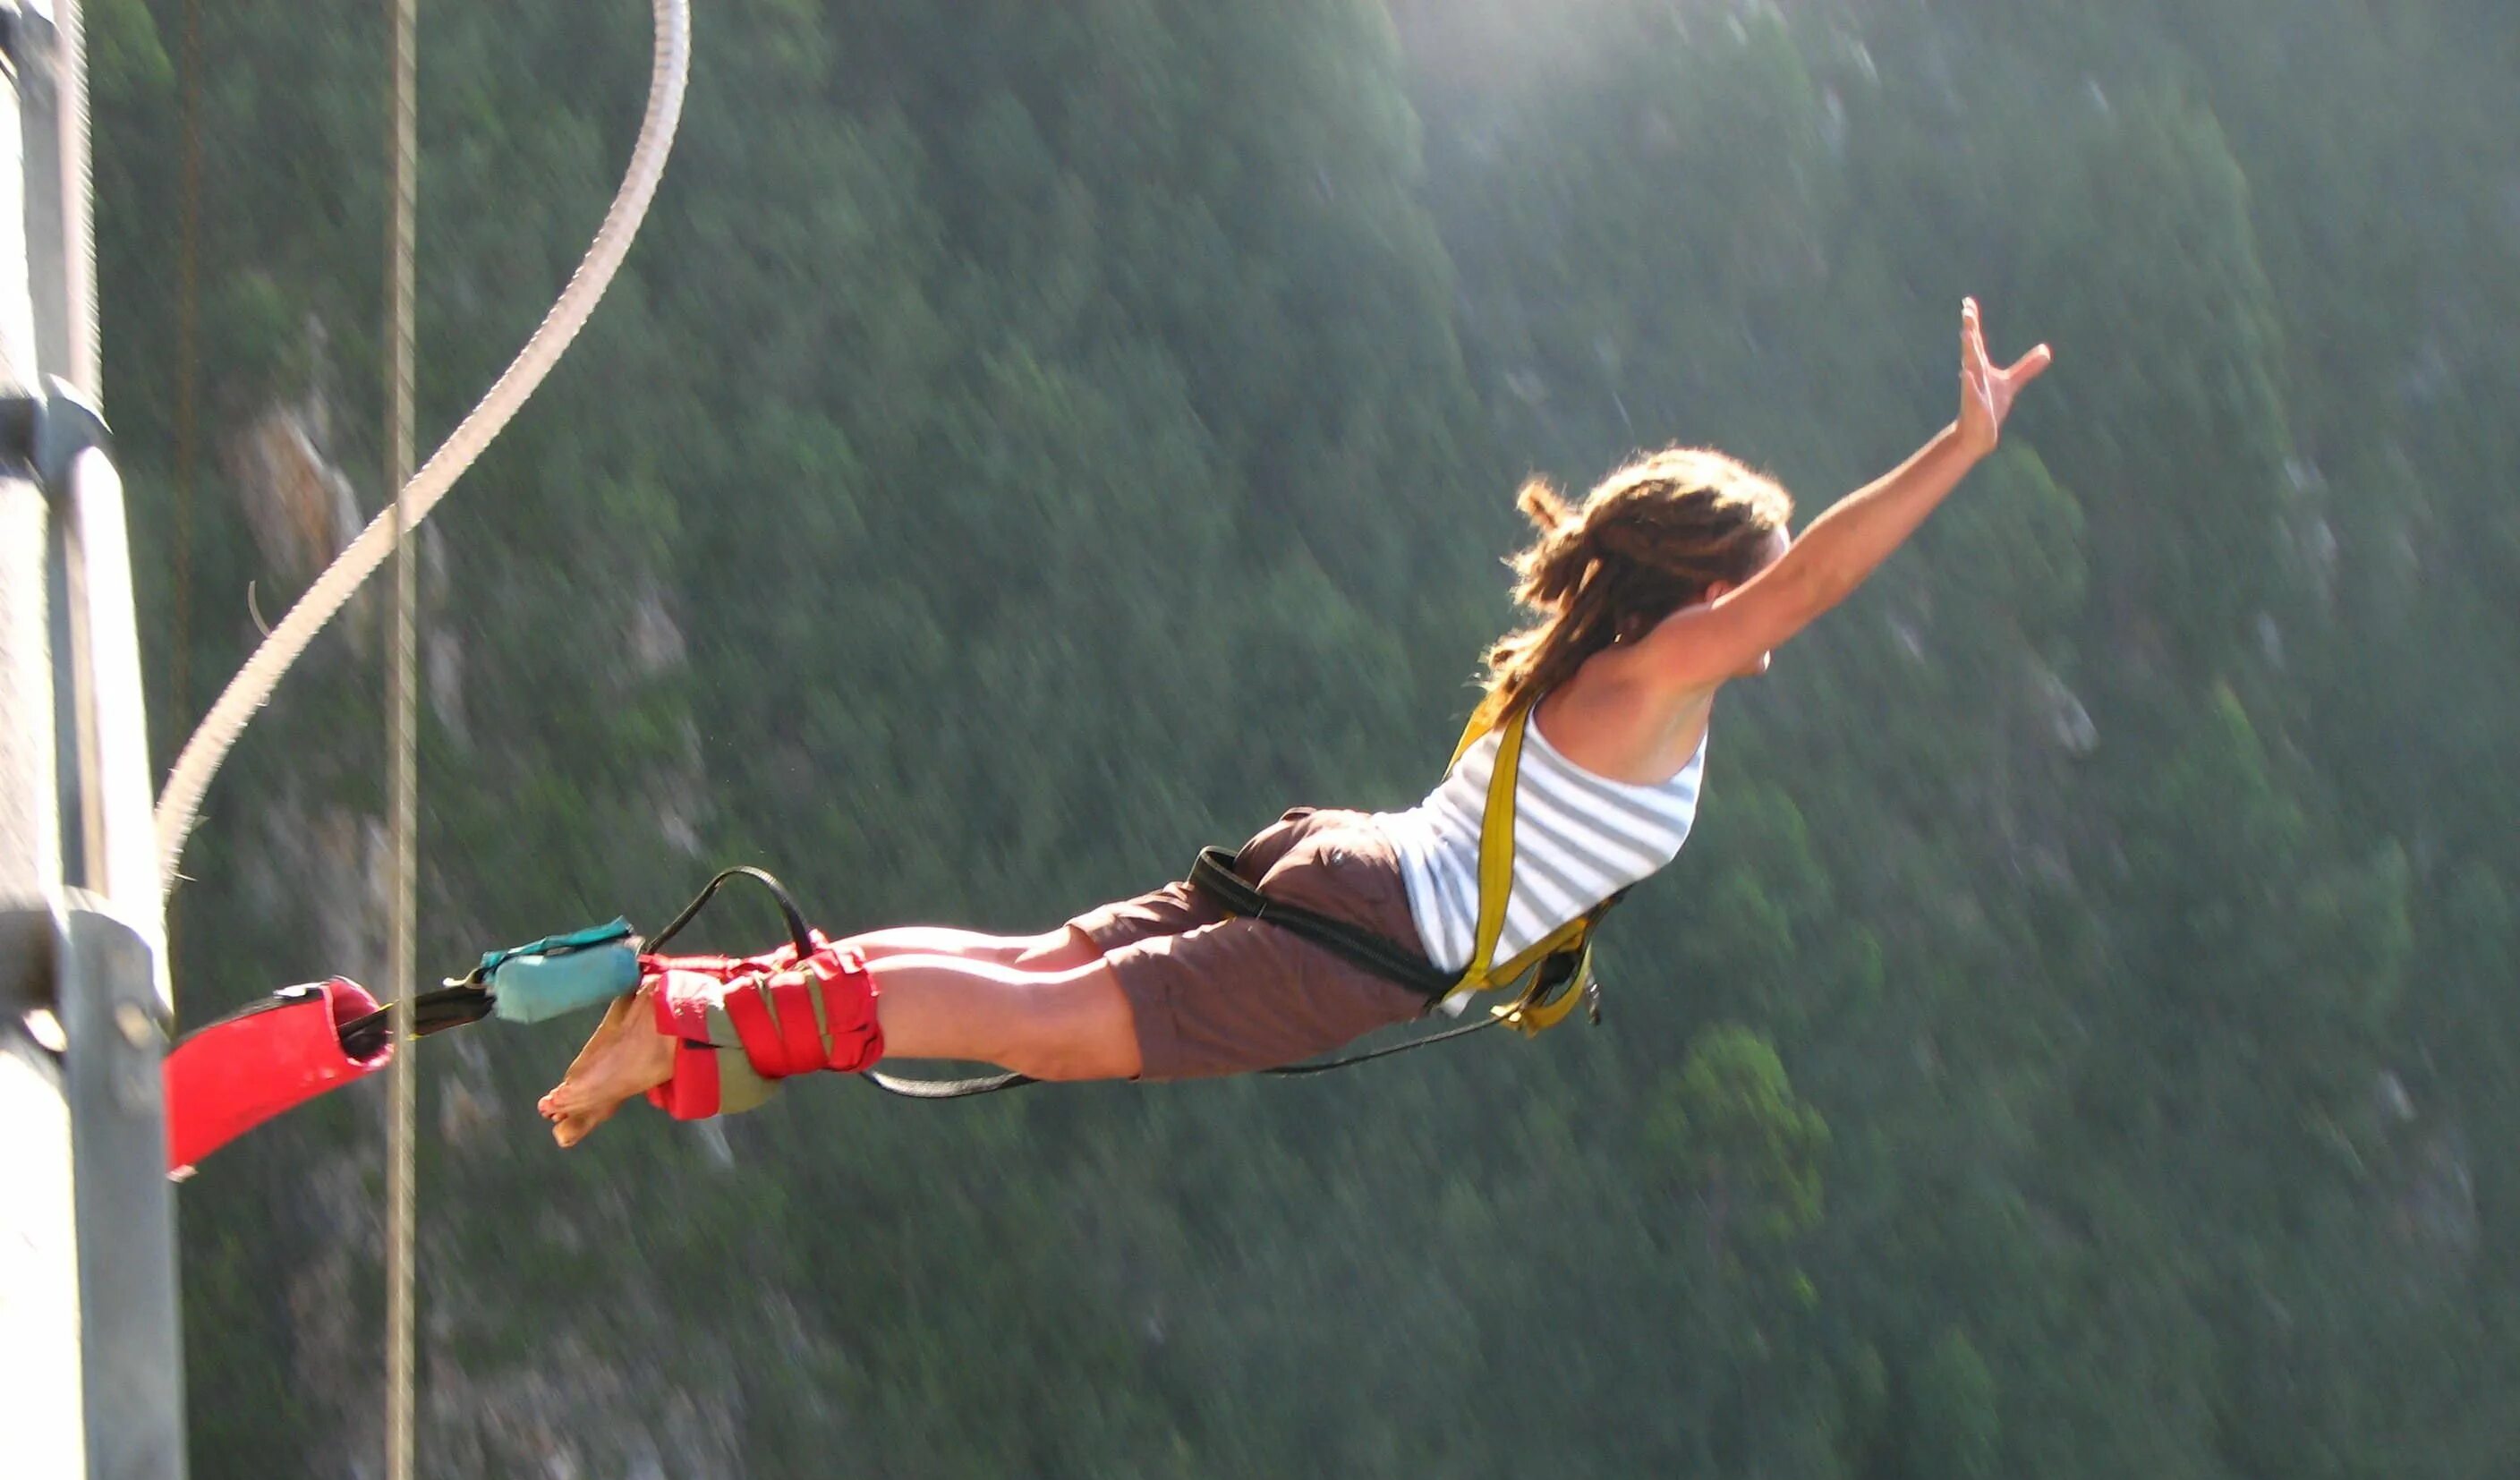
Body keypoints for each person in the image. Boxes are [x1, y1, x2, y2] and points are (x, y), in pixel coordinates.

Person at [539, 300, 2049, 1146]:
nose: (1776, 601)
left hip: (1342, 866)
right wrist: (1958, 452)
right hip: (1365, 932)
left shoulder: (1603, 670)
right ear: (1708, 584)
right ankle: (710, 1026)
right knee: (1046, 1026)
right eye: (1758, 577)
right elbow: (1826, 582)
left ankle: (694, 1001)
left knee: (1030, 969)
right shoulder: (1661, 669)